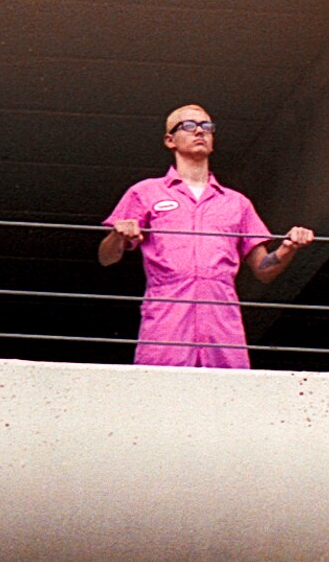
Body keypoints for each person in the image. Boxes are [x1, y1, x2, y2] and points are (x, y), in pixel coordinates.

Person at [97, 103, 313, 369]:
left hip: (222, 320)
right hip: (167, 318)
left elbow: (264, 270)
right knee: (161, 394)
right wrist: (118, 235)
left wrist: (288, 248)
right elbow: (106, 258)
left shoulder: (237, 203)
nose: (199, 131)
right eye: (189, 126)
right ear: (169, 140)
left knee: (227, 398)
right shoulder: (145, 192)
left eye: (207, 127)